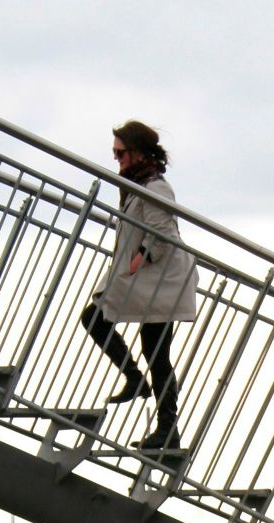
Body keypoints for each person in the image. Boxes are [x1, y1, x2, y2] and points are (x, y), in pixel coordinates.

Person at [80, 120, 197, 453]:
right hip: (149, 280)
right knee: (99, 320)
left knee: (155, 353)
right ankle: (136, 382)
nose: (116, 158)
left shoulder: (155, 186)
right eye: (115, 152)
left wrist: (139, 259)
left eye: (121, 153)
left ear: (138, 152)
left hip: (162, 282)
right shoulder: (139, 183)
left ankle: (166, 429)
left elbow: (164, 233)